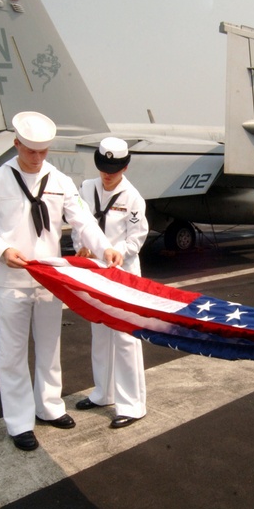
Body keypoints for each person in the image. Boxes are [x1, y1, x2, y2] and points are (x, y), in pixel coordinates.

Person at [0, 111, 122, 452]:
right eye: (29, 151)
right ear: (16, 144)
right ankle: (19, 422)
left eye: (43, 152)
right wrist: (2, 249)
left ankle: (49, 406)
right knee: (12, 353)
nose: (37, 158)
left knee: (49, 346)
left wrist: (105, 247)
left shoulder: (60, 181)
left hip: (50, 279)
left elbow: (82, 221)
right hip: (12, 278)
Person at [72, 138, 150, 428]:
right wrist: (81, 245)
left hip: (123, 274)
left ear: (125, 167)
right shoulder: (86, 188)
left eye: (114, 169)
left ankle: (132, 405)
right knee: (100, 333)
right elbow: (79, 224)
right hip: (95, 271)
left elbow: (137, 238)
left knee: (126, 338)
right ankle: (103, 393)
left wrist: (121, 252)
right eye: (104, 168)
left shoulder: (133, 198)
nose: (107, 174)